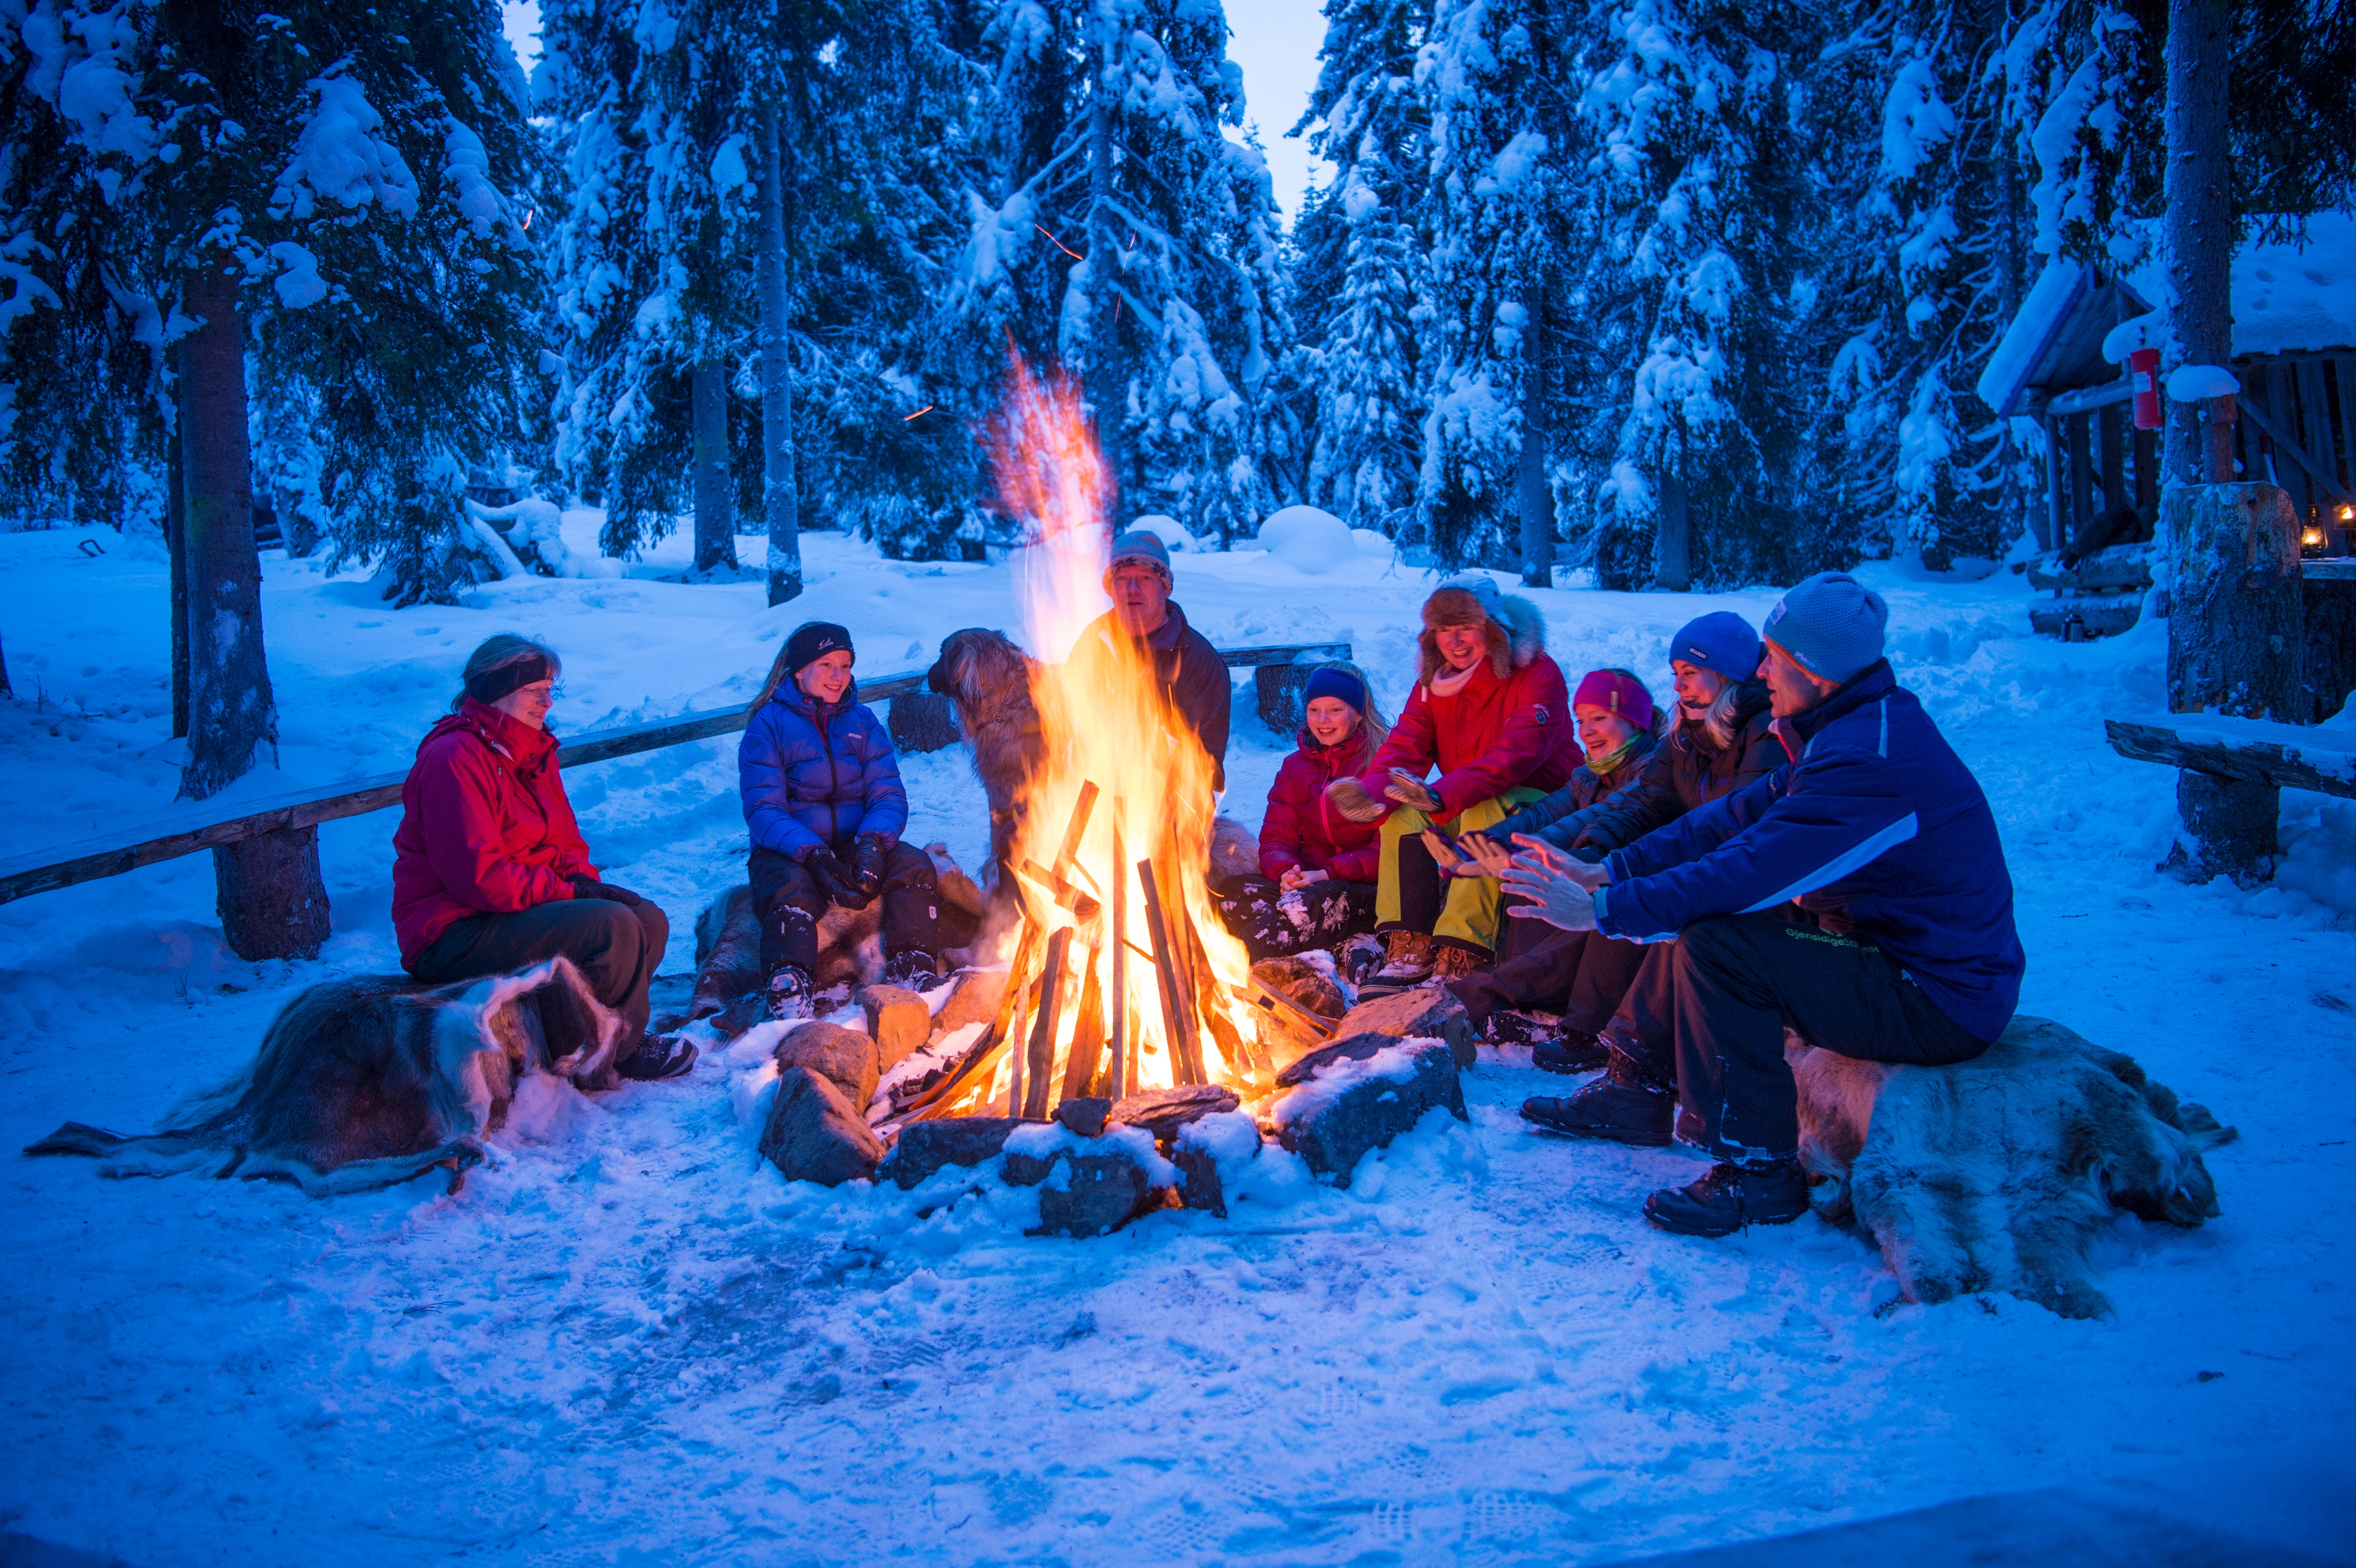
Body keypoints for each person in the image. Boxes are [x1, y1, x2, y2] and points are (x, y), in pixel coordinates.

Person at [1503, 572, 2024, 1238]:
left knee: (1719, 940)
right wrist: (1608, 869)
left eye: (1774, 658)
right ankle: (1641, 1087)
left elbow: (1750, 869)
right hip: (1890, 951)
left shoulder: (1870, 758)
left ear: (1815, 669)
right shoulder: (1842, 729)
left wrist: (1602, 911)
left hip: (1936, 994)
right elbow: (1730, 820)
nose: (1761, 669)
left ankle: (1759, 1173)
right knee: (1704, 915)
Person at [1453, 615, 1777, 1067]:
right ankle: (1540, 1007)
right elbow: (1640, 806)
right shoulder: (1686, 736)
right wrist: (1580, 858)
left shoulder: (1765, 734)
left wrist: (1597, 864)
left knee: (1628, 891)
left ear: (1728, 675)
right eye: (1676, 675)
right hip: (1695, 865)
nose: (1681, 687)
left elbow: (1736, 823)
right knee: (1598, 878)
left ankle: (1577, 1027)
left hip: (1744, 883)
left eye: (1691, 674)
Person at [393, 635, 695, 1081]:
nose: (547, 703)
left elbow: (565, 844)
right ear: (499, 691)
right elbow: (480, 878)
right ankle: (615, 1051)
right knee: (612, 927)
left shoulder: (532, 753)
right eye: (537, 692)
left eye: (550, 690)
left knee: (646, 917)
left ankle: (584, 1036)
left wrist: (585, 883)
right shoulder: (454, 759)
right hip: (452, 930)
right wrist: (570, 893)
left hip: (513, 910)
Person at [1325, 573, 1581, 987]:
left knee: (1482, 808)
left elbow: (1514, 756)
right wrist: (1372, 794)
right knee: (1402, 819)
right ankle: (1410, 942)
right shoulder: (1434, 684)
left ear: (1495, 630)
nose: (1455, 641)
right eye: (1445, 630)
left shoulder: (1537, 674)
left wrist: (1442, 796)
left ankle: (1465, 948)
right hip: (1460, 795)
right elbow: (1406, 744)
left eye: (1467, 628)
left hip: (1545, 804)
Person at [1440, 666, 1664, 1057]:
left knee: (1554, 872)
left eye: (1600, 719)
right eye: (1582, 721)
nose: (1587, 731)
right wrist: (1486, 843)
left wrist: (1528, 852)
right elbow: (1542, 814)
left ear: (1635, 721)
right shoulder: (1587, 776)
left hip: (1622, 880)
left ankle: (1502, 991)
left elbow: (1592, 820)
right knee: (1527, 875)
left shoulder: (1653, 770)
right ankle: (1533, 1000)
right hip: (1584, 871)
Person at [740, 621, 942, 1020]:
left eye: (846, 666)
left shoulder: (862, 722)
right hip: (789, 848)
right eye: (827, 665)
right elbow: (764, 811)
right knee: (791, 889)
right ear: (798, 670)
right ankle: (790, 984)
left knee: (914, 865)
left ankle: (912, 964)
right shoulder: (768, 726)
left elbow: (887, 792)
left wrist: (871, 843)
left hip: (853, 839)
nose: (838, 676)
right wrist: (814, 854)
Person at [1214, 663, 1389, 960]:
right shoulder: (1295, 767)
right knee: (1233, 892)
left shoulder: (1379, 764)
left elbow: (1387, 850)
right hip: (1306, 885)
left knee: (1312, 903)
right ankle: (1322, 942)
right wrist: (1287, 871)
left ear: (1358, 714)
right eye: (1313, 709)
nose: (1322, 720)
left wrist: (1327, 874)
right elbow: (1276, 837)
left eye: (1335, 710)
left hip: (1365, 891)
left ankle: (1238, 961)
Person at [1063, 528, 1231, 790]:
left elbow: (1206, 765)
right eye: (1122, 579)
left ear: (1165, 588)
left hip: (1169, 806)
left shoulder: (1197, 659)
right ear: (1110, 588)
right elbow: (1060, 724)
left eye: (1145, 578)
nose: (1133, 589)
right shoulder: (1091, 644)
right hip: (1090, 798)